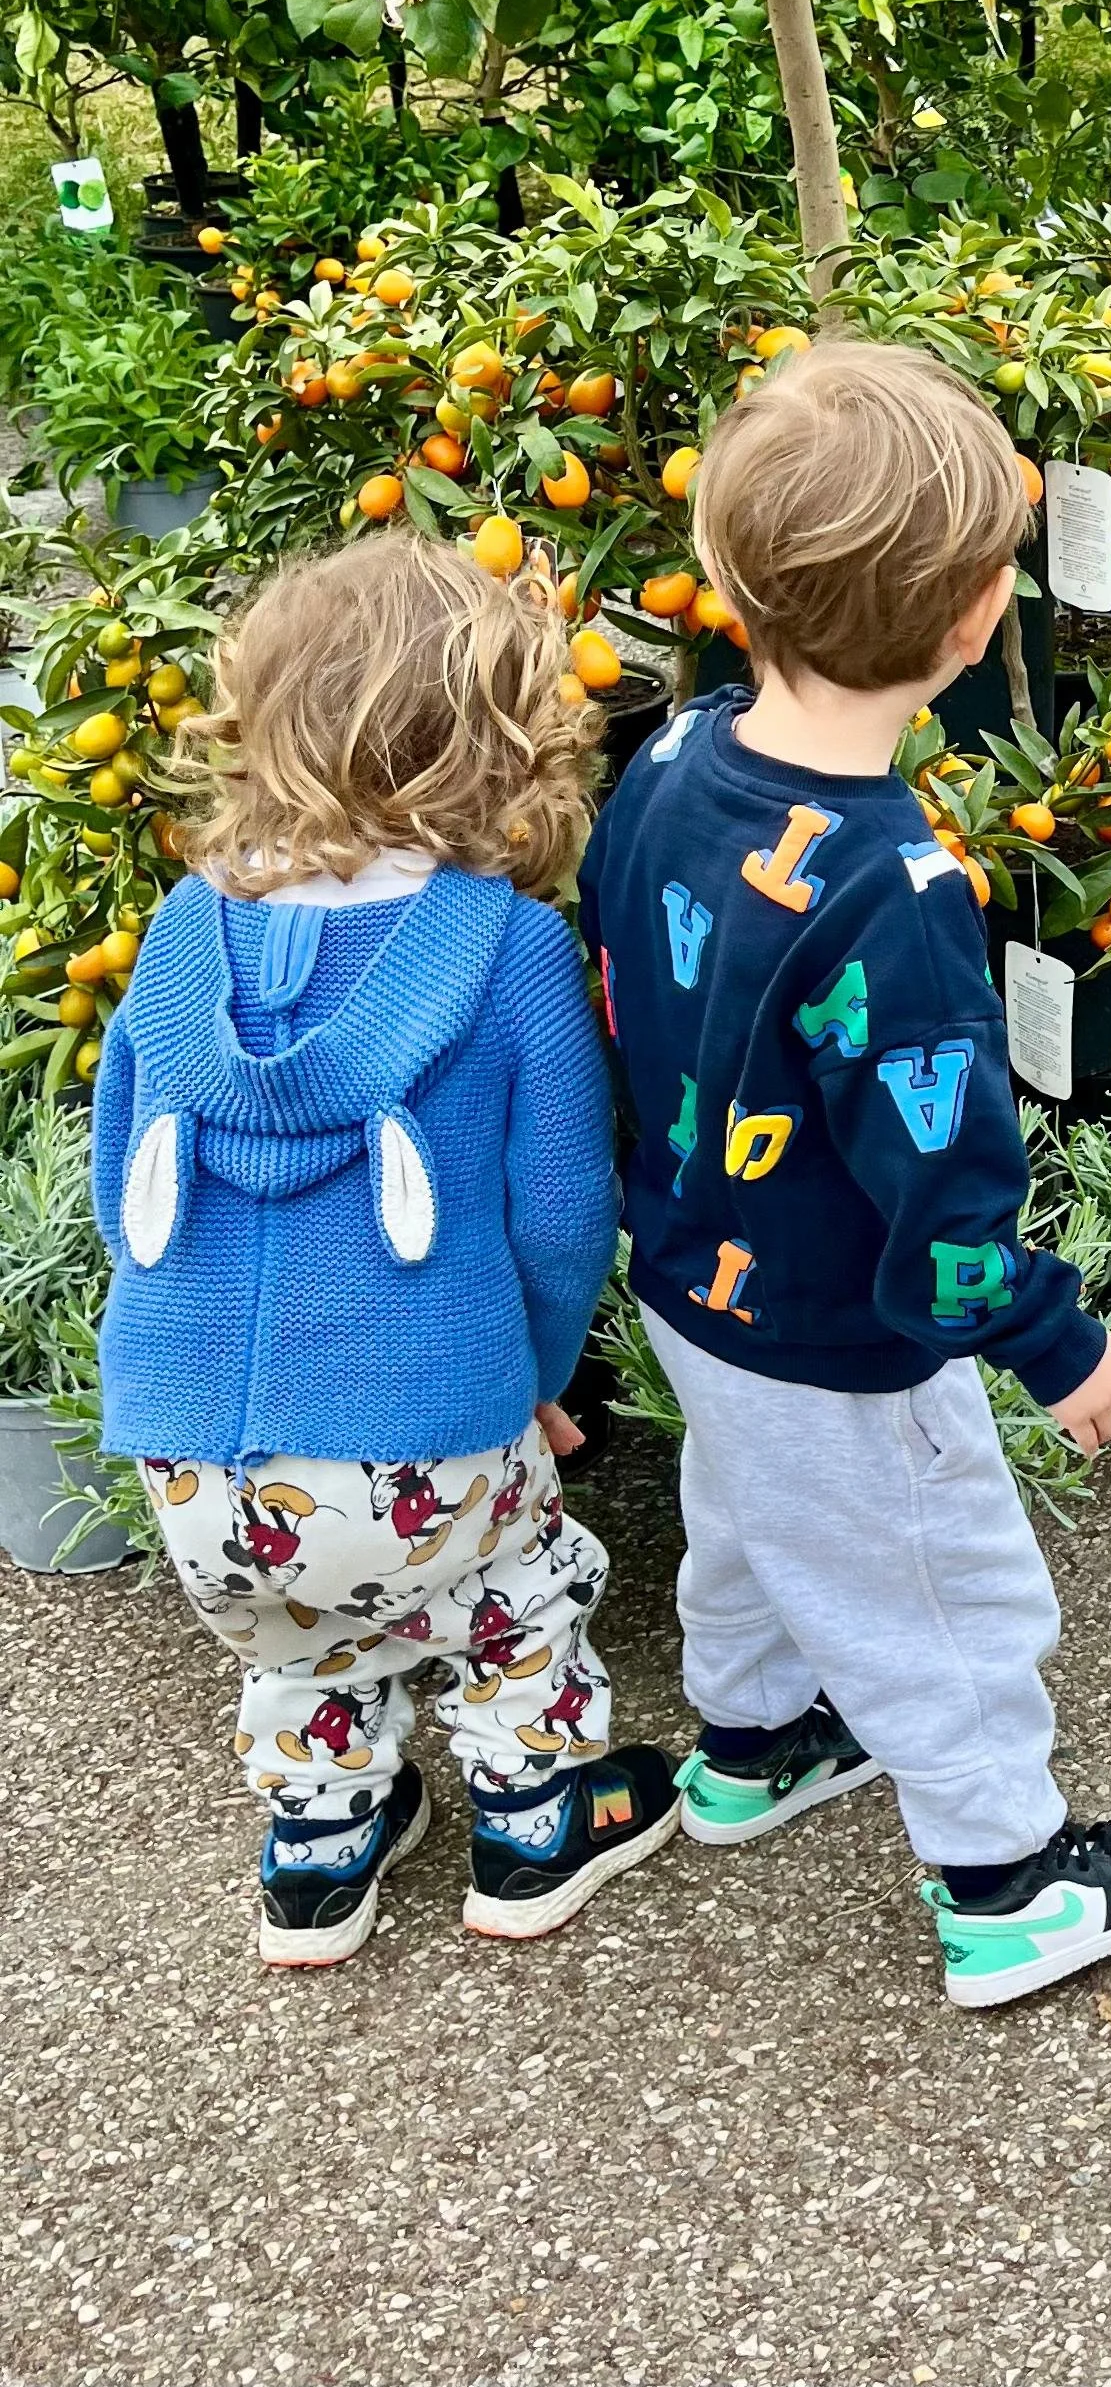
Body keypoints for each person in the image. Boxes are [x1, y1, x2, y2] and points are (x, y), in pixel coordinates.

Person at [580, 338, 1111, 2009]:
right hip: (846, 1329)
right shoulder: (896, 890)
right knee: (939, 1582)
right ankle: (1003, 1877)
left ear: (720, 564)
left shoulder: (664, 757)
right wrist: (1065, 1350)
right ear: (978, 615)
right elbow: (943, 1212)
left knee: (747, 1514)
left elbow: (620, 972)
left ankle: (754, 1743)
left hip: (696, 1279)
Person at [93, 535, 678, 1968]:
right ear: (499, 738)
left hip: (190, 1466)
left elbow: (124, 1195)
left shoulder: (177, 939)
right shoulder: (507, 948)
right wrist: (531, 1381)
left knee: (303, 1637)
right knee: (511, 1586)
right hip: (422, 1441)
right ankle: (536, 1821)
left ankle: (318, 1851)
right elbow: (557, 1218)